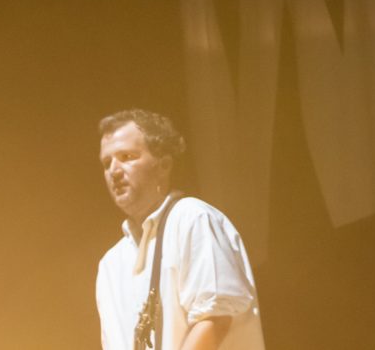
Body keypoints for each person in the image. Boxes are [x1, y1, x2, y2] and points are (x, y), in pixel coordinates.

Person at [96, 109, 266, 350]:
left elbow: (214, 319)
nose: (114, 170)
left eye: (127, 156)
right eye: (106, 162)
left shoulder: (193, 218)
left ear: (163, 165)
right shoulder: (110, 265)